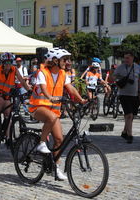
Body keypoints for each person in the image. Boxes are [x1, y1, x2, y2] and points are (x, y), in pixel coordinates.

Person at [29, 48, 86, 180]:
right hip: (38, 107)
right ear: (55, 60)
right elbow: (43, 88)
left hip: (53, 110)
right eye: (64, 59)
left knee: (59, 140)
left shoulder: (62, 74)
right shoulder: (42, 72)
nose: (67, 62)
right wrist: (50, 97)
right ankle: (41, 143)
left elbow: (70, 88)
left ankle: (55, 167)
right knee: (52, 118)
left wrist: (81, 100)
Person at [0, 52, 31, 128]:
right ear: (2, 62)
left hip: (7, 94)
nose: (8, 64)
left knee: (8, 115)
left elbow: (21, 80)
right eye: (6, 62)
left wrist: (28, 90)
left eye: (10, 62)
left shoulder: (14, 69)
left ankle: (8, 138)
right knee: (0, 101)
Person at [113, 51, 140, 144]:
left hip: (134, 95)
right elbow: (113, 76)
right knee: (129, 115)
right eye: (125, 58)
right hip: (123, 94)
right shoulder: (120, 67)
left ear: (132, 58)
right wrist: (118, 82)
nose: (125, 60)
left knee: (130, 116)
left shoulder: (137, 68)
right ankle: (130, 135)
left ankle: (124, 132)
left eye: (127, 58)